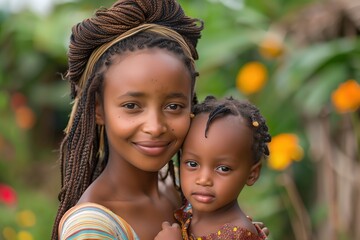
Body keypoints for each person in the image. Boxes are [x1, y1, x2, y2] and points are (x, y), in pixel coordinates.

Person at [51, 0, 268, 239]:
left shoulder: (181, 195)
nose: (155, 127)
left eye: (173, 106)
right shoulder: (91, 227)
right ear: (98, 110)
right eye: (132, 106)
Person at [154, 96, 271, 240]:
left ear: (252, 174)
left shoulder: (237, 235)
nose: (203, 180)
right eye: (192, 164)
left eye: (223, 168)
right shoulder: (189, 209)